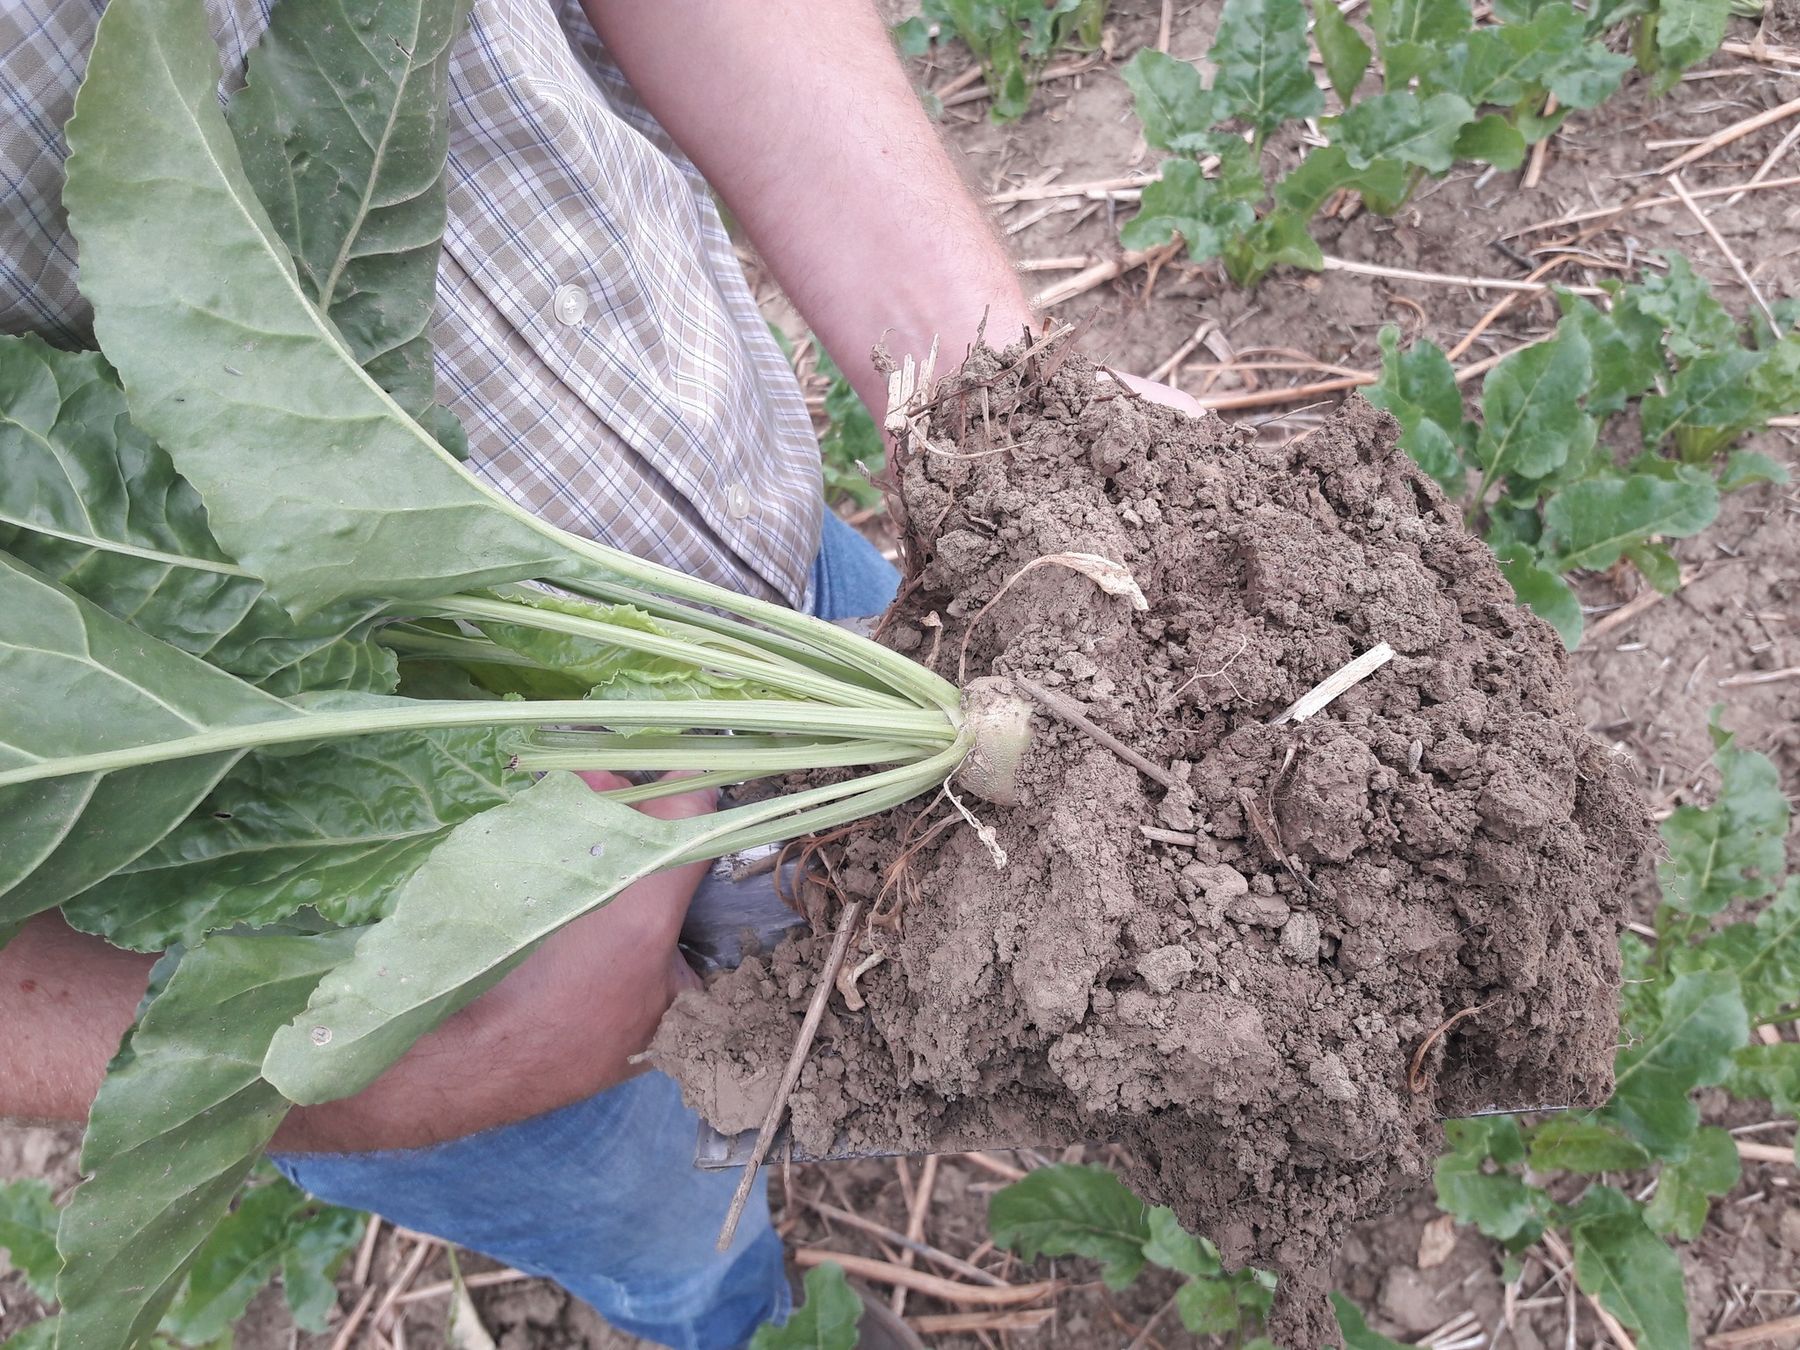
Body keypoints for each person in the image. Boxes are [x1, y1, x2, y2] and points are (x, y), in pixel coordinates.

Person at [0, 1, 1195, 1345]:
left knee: (975, 995)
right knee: (665, 1217)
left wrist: (1012, 417)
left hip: (777, 596)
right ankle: (750, 1316)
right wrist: (409, 1071)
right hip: (417, 969)